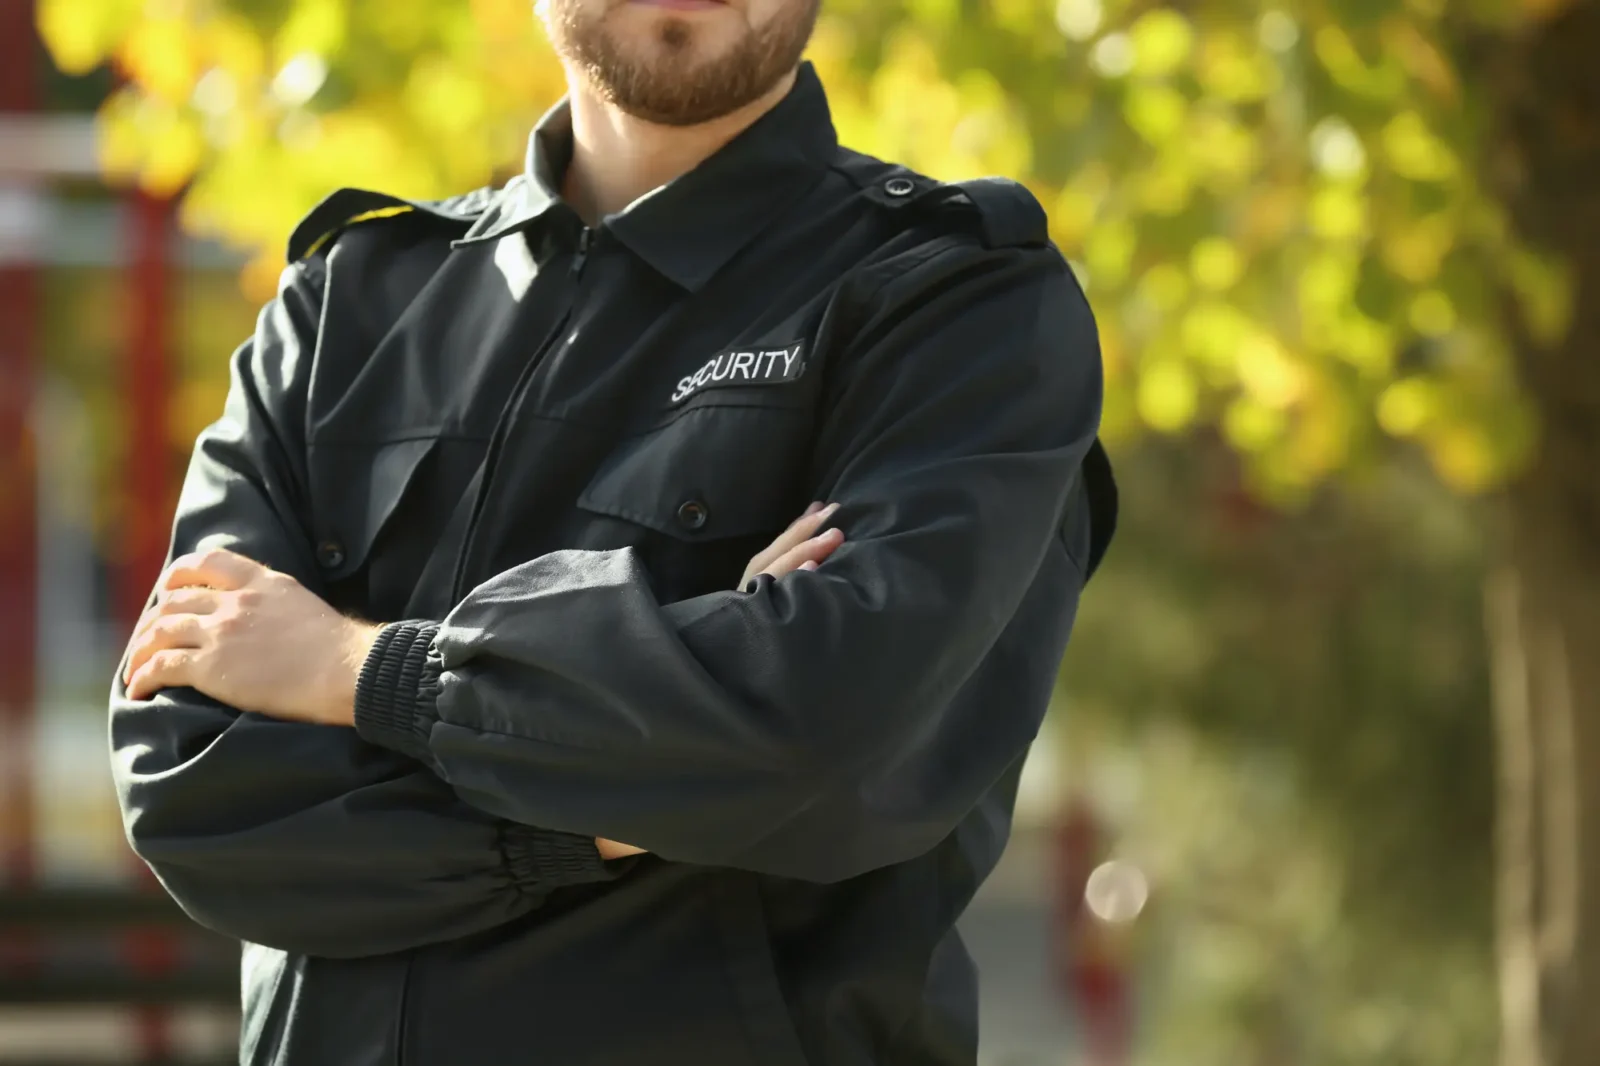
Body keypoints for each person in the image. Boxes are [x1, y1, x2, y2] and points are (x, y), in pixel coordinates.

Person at [111, 0, 1117, 1062]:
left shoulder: (953, 302)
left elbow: (824, 737)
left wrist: (360, 667)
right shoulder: (341, 309)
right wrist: (628, 794)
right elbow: (194, 793)